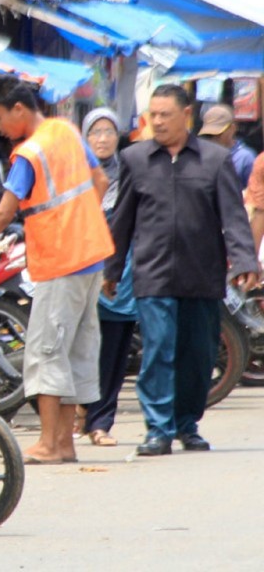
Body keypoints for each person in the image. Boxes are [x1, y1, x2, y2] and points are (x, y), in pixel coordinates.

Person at [0, 76, 114, 465]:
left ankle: (50, 444)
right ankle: (65, 444)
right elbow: (99, 180)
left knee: (45, 352)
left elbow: (4, 212)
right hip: (91, 257)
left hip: (59, 261)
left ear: (19, 109)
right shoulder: (67, 131)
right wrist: (81, 222)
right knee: (75, 351)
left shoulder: (29, 153)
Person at [104, 84, 259, 457]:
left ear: (185, 115)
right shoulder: (135, 159)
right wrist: (111, 268)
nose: (157, 121)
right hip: (152, 274)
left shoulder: (214, 160)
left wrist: (244, 261)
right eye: (152, 115)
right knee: (158, 350)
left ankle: (187, 424)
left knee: (198, 354)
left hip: (201, 274)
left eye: (165, 115)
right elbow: (122, 218)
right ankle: (158, 429)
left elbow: (233, 217)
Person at [80, 107, 136, 447]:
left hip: (122, 273)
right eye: (95, 132)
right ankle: (77, 415)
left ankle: (100, 422)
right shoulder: (75, 175)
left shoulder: (130, 174)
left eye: (108, 132)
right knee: (81, 348)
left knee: (114, 352)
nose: (102, 139)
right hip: (82, 270)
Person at [198, 104, 257, 190]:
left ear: (232, 129)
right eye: (209, 135)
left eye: (218, 133)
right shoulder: (201, 155)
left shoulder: (245, 158)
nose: (214, 138)